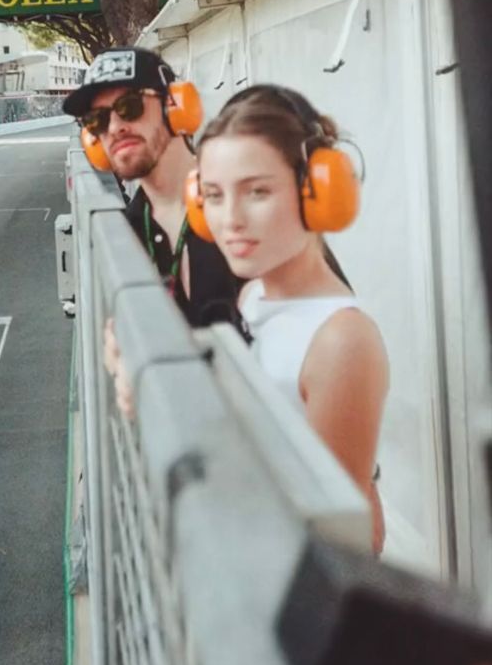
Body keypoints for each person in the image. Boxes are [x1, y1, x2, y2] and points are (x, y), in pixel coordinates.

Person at [195, 85, 389, 554]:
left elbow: (351, 540)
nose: (230, 219)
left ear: (317, 191)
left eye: (257, 191)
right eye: (213, 196)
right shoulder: (253, 296)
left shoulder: (341, 341)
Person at [63, 46, 238, 330]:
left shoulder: (244, 203)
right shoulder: (124, 235)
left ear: (174, 107)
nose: (115, 127)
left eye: (129, 107)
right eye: (97, 120)